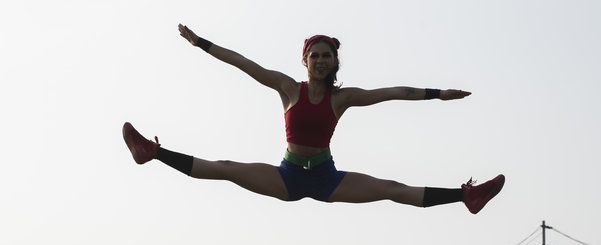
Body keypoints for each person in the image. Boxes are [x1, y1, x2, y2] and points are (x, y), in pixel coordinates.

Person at [122, 24, 504, 213]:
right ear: (305, 61)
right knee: (225, 167)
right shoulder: (288, 88)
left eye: (327, 55)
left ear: (335, 62)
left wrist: (438, 94)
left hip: (326, 178)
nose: (321, 60)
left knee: (391, 187)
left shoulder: (343, 98)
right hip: (287, 175)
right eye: (314, 55)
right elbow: (242, 63)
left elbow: (392, 93)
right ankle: (151, 153)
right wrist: (200, 43)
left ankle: (466, 197)